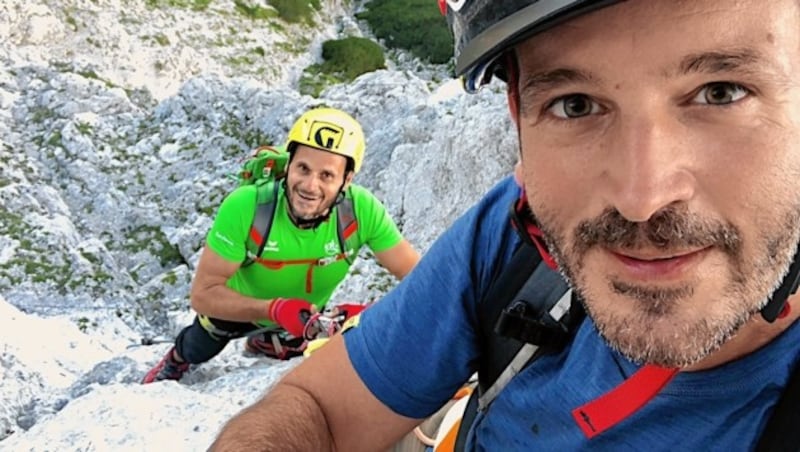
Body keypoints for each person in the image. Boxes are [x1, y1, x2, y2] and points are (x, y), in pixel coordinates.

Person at [209, 0, 800, 450]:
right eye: (574, 104)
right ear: (518, 121)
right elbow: (319, 407)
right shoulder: (518, 237)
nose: (641, 197)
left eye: (722, 93)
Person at [141, 107, 419, 384]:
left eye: (326, 176)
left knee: (318, 338)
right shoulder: (247, 206)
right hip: (238, 308)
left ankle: (270, 340)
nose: (310, 186)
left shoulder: (361, 211)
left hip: (301, 314)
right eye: (303, 168)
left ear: (347, 180)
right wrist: (273, 309)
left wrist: (373, 314)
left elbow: (419, 277)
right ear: (288, 164)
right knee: (200, 345)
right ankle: (177, 358)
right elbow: (203, 296)